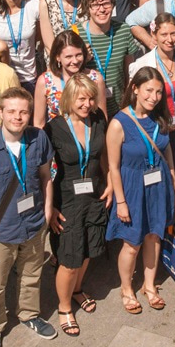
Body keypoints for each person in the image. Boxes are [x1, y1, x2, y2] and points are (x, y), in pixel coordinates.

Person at [0, 87, 57, 347]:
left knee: (32, 274)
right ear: (1, 113)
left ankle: (29, 314)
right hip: (1, 229)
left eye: (23, 112)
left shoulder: (38, 138)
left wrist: (48, 210)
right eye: (12, 111)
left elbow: (45, 176)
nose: (18, 117)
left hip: (33, 223)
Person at [106, 67, 175, 313]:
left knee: (154, 236)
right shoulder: (118, 123)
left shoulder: (160, 118)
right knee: (131, 243)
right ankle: (126, 289)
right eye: (149, 90)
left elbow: (165, 147)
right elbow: (113, 167)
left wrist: (172, 175)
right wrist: (121, 201)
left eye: (159, 92)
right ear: (135, 89)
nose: (154, 97)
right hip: (132, 188)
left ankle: (149, 286)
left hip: (158, 185)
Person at [44, 74, 109, 333]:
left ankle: (77, 290)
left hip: (94, 196)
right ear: (70, 98)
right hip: (67, 200)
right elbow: (44, 172)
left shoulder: (99, 120)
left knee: (87, 253)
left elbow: (104, 155)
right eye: (82, 98)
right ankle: (64, 306)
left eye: (91, 98)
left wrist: (112, 185)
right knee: (70, 259)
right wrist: (50, 208)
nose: (87, 103)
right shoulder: (54, 127)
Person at [78, 0, 142, 115]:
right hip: (87, 108)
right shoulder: (75, 34)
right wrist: (82, 60)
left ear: (113, 6)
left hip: (119, 106)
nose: (101, 10)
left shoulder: (123, 30)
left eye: (106, 4)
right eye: (95, 5)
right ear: (87, 8)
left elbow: (129, 70)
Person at [128, 14, 175, 115]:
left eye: (173, 34)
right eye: (164, 34)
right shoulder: (141, 64)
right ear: (154, 35)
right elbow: (132, 99)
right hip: (157, 123)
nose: (170, 40)